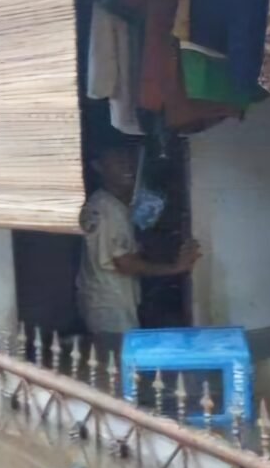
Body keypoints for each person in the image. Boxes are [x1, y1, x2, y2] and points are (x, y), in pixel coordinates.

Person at [77, 145, 200, 361]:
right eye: (117, 160)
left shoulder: (117, 205)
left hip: (115, 299)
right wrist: (175, 268)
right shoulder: (104, 209)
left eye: (130, 160)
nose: (128, 166)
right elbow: (123, 263)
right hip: (108, 305)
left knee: (121, 365)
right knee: (117, 366)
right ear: (98, 167)